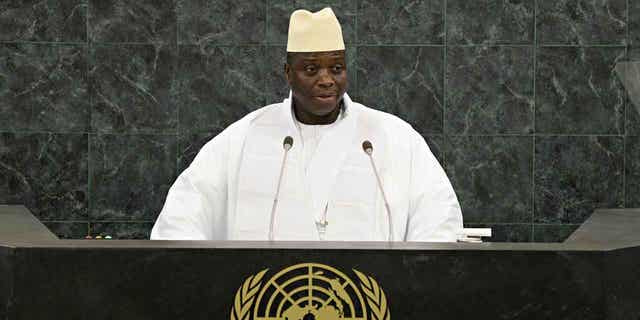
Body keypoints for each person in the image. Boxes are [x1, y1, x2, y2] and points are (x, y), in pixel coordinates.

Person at [151, 7, 463, 241]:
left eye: (337, 67)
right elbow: (182, 218)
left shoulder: (394, 138)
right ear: (288, 73)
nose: (326, 80)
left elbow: (439, 220)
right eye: (311, 68)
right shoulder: (244, 138)